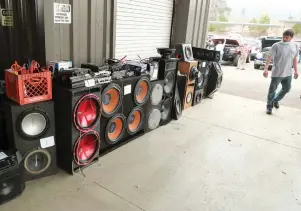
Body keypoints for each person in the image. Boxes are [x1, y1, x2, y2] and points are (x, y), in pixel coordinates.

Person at [264, 29, 299, 115]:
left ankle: (276, 100)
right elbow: (269, 57)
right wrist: (266, 69)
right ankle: (269, 107)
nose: (285, 38)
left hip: (288, 73)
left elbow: (294, 58)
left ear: (291, 38)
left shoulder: (295, 46)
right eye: (284, 36)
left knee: (287, 89)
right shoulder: (276, 45)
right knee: (272, 90)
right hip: (277, 73)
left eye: (287, 37)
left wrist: (296, 71)